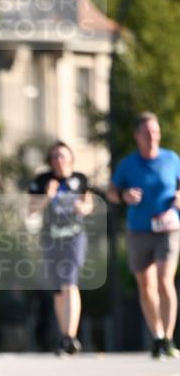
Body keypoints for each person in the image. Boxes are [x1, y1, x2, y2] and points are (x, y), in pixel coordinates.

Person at [108, 112, 180, 359]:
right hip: (138, 229)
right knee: (145, 284)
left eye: (155, 132)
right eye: (147, 133)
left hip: (168, 228)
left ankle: (169, 337)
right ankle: (157, 335)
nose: (152, 137)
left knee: (163, 279)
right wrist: (124, 196)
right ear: (137, 136)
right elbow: (112, 192)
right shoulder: (128, 164)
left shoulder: (172, 159)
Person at [27, 141, 93, 355]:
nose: (59, 160)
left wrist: (83, 208)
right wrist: (47, 196)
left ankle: (70, 336)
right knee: (57, 289)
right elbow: (31, 211)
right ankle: (64, 335)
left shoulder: (80, 179)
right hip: (50, 238)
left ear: (71, 159)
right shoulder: (42, 181)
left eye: (63, 156)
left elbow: (88, 204)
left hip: (74, 236)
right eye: (55, 156)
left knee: (69, 282)